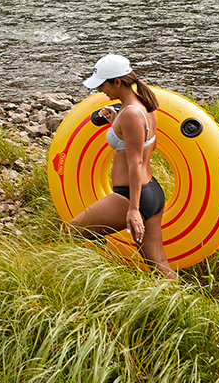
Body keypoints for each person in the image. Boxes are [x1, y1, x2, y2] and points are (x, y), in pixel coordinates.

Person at [66, 52, 176, 279]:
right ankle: (184, 304)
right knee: (159, 263)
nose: (100, 90)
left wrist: (134, 210)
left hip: (130, 197)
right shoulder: (144, 106)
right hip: (152, 192)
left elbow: (135, 162)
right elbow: (147, 147)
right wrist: (115, 123)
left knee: (71, 231)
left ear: (117, 82)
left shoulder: (131, 114)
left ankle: (102, 276)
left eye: (103, 85)